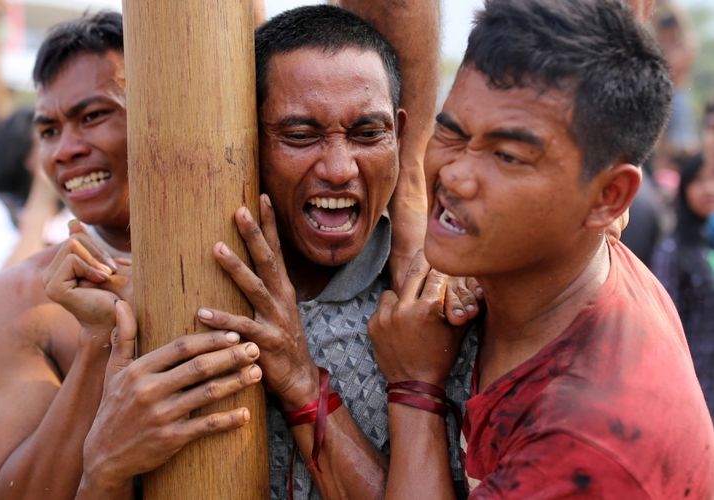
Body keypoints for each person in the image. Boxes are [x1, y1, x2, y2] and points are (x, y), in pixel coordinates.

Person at [72, 6, 476, 499]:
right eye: (301, 136)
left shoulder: (441, 302)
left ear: (400, 133)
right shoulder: (156, 306)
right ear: (250, 142)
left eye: (367, 134)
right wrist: (103, 469)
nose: (338, 168)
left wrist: (303, 378)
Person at [368, 0, 714, 497]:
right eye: (451, 132)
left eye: (508, 156)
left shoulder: (590, 435)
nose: (455, 176)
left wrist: (414, 386)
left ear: (608, 198)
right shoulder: (545, 270)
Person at [0, 13, 264, 499]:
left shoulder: (248, 255)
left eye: (93, 116)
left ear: (160, 112)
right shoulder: (18, 302)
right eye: (48, 130)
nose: (64, 150)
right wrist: (98, 340)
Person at [652, 153, 714, 417]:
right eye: (698, 181)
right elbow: (664, 322)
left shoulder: (707, 243)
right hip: (695, 379)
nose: (708, 189)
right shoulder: (672, 250)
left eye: (712, 179)